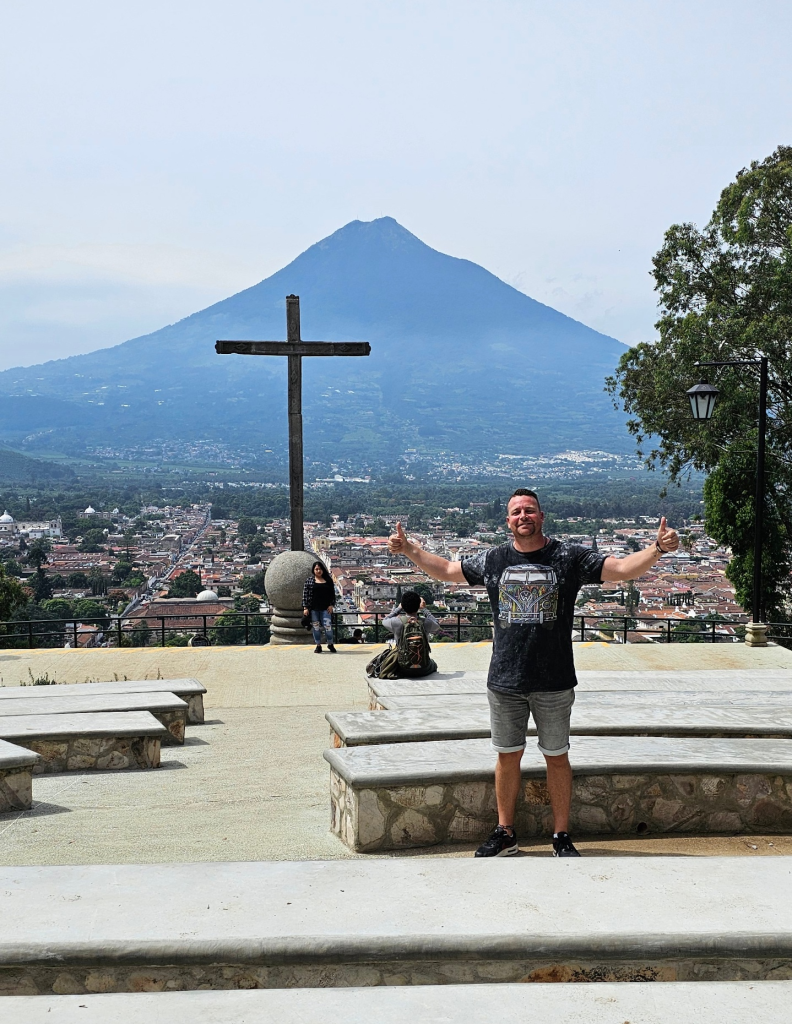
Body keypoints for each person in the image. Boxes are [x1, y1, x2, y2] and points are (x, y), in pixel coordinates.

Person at [388, 488, 679, 858]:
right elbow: (446, 571)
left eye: (529, 510)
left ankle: (561, 835)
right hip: (506, 678)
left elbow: (621, 570)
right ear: (507, 521)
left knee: (556, 756)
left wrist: (658, 549)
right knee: (507, 755)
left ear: (541, 517)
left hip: (554, 678)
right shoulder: (493, 559)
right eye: (516, 512)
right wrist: (410, 550)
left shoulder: (568, 557)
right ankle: (505, 832)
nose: (523, 515)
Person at [382, 591, 441, 677]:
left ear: (403, 606)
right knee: (433, 663)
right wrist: (424, 609)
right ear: (418, 606)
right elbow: (437, 624)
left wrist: (398, 609)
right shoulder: (425, 622)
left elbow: (384, 620)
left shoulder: (396, 623)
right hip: (423, 667)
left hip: (402, 668)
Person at [302, 560, 338, 653]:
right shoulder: (309, 581)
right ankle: (318, 645)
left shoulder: (328, 580)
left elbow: (332, 594)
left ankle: (330, 644)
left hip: (325, 608)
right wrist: (305, 608)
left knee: (328, 627)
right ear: (313, 570)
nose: (318, 571)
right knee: (316, 628)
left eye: (320, 569)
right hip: (313, 609)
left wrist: (331, 605)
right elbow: (305, 595)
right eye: (316, 569)